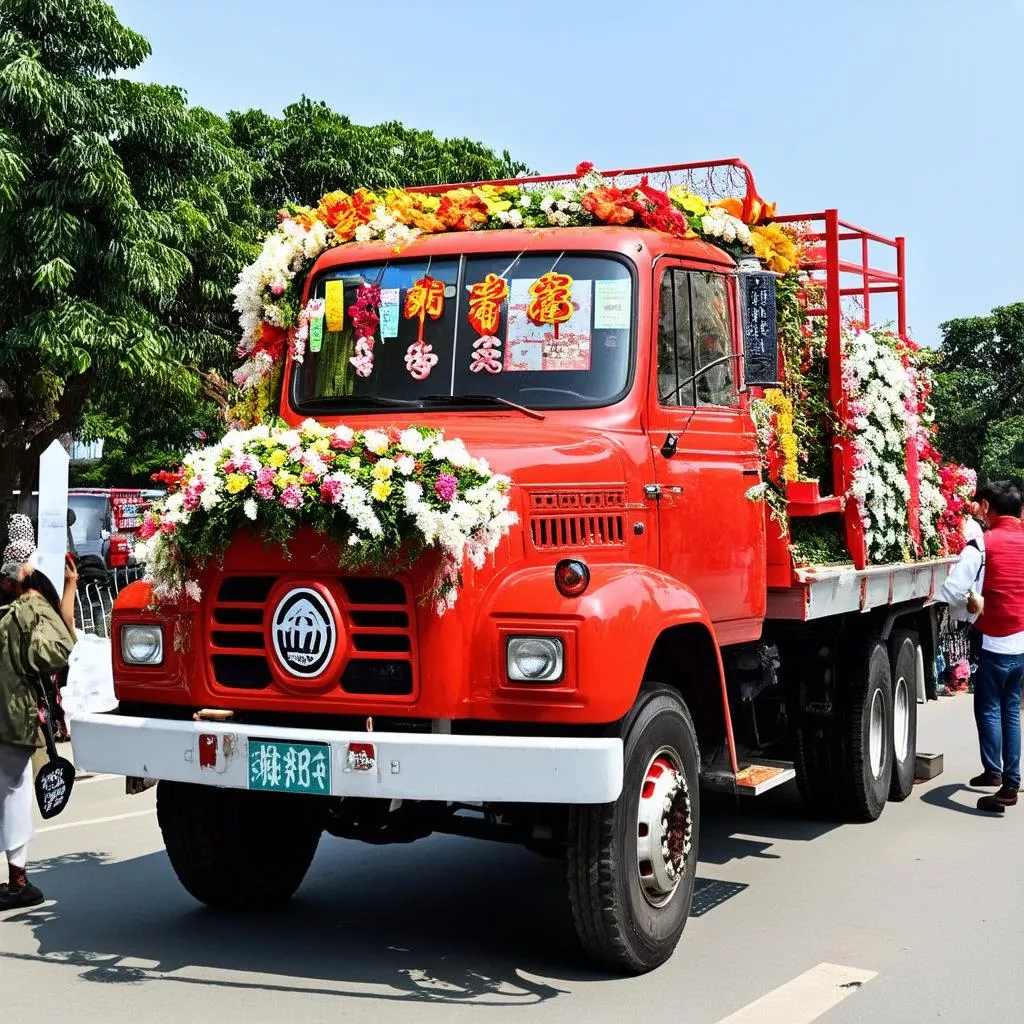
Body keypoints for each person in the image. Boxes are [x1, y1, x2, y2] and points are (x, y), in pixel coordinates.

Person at [0, 542, 77, 909]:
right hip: (13, 717)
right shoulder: (28, 609)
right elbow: (57, 649)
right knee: (13, 794)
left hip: (12, 716)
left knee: (11, 793)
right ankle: (18, 881)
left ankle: (18, 881)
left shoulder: (18, 611)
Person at [941, 481, 1024, 812]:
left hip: (992, 639)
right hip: (1021, 639)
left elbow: (953, 590)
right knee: (1012, 710)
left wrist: (971, 603)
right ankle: (1006, 776)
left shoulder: (981, 544)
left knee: (989, 707)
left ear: (988, 507)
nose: (975, 511)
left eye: (978, 505)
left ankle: (1003, 781)